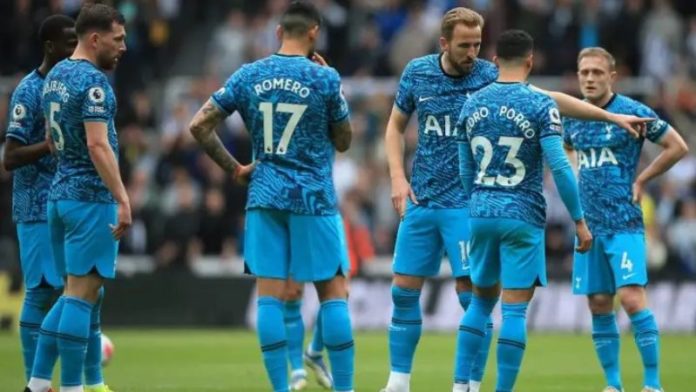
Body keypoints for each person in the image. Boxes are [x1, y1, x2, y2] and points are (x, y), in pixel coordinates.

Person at [382, 8, 652, 392]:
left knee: (472, 299)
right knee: (409, 291)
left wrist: (609, 118)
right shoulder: (417, 73)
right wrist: (396, 175)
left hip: (470, 205)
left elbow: (554, 99)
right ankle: (400, 382)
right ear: (444, 43)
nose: (472, 52)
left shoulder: (485, 82)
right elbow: (394, 126)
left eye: (478, 43)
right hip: (430, 199)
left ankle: (469, 383)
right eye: (464, 45)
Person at [188, 2, 355, 391]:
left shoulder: (249, 74)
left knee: (269, 298)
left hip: (264, 195)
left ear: (279, 32)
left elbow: (199, 126)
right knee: (333, 292)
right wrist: (334, 85)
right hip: (313, 197)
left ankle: (282, 387)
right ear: (314, 32)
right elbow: (344, 141)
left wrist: (234, 168)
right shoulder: (324, 78)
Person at [455, 29, 592, 392]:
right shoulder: (540, 104)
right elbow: (560, 167)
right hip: (522, 215)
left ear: (496, 60)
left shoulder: (470, 104)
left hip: (481, 211)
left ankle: (459, 386)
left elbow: (465, 170)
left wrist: (479, 202)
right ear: (530, 61)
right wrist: (579, 220)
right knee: (513, 310)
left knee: (480, 305)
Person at [564, 47, 688, 392]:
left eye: (597, 73)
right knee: (599, 303)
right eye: (584, 72)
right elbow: (568, 150)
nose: (590, 78)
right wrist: (577, 183)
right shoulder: (574, 117)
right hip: (588, 226)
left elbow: (677, 146)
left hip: (624, 221)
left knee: (632, 299)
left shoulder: (632, 111)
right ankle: (613, 384)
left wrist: (643, 179)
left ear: (611, 77)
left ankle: (652, 384)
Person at [24, 4, 130, 392]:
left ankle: (36, 385)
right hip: (90, 199)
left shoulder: (55, 77)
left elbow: (56, 140)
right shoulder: (94, 83)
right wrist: (122, 197)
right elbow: (98, 144)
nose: (124, 47)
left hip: (59, 197)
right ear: (95, 38)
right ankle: (72, 388)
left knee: (70, 297)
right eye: (118, 39)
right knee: (81, 300)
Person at [2, 14, 77, 384]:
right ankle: (36, 379)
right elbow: (10, 156)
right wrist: (48, 145)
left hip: (66, 201)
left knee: (72, 288)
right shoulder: (29, 91)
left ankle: (53, 377)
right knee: (42, 290)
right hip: (34, 204)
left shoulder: (69, 87)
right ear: (49, 47)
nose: (74, 50)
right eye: (68, 43)